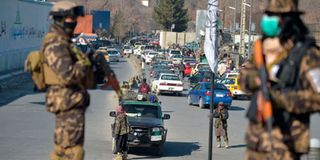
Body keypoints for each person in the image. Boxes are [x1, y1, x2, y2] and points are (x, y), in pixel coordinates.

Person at [240, 0, 320, 159]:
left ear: (288, 20)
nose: (268, 19)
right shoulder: (262, 47)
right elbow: (243, 80)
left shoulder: (307, 53)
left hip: (286, 142)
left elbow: (317, 98)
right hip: (256, 142)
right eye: (267, 15)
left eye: (274, 16)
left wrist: (279, 98)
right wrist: (256, 79)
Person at [42, 1, 90, 160]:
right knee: (71, 152)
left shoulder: (64, 42)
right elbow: (67, 75)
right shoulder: (56, 42)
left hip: (71, 103)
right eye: (71, 19)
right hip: (67, 105)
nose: (75, 22)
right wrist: (84, 64)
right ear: (61, 19)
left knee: (68, 150)